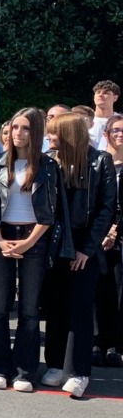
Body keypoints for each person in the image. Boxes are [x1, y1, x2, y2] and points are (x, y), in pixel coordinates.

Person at [0, 108, 58, 392]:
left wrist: (28, 242)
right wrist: (0, 240)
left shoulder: (48, 166)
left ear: (35, 132)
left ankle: (24, 370)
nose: (18, 133)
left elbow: (49, 213)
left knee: (28, 310)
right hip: (0, 235)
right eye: (15, 127)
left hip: (34, 237)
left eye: (25, 128)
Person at [42, 112, 117, 398]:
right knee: (56, 306)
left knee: (81, 310)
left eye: (54, 133)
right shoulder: (50, 161)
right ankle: (55, 364)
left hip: (86, 248)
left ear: (69, 133)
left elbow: (106, 209)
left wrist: (87, 248)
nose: (50, 138)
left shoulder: (101, 161)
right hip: (55, 246)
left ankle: (78, 371)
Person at [94, 114, 123, 366]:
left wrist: (115, 230)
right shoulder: (98, 162)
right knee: (96, 290)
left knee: (118, 291)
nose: (120, 135)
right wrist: (104, 231)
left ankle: (115, 344)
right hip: (97, 235)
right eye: (115, 130)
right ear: (106, 134)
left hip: (119, 237)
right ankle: (96, 342)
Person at [89, 80, 119, 147]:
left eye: (106, 93)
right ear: (94, 97)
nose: (100, 95)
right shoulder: (84, 120)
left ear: (115, 98)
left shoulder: (120, 121)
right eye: (98, 92)